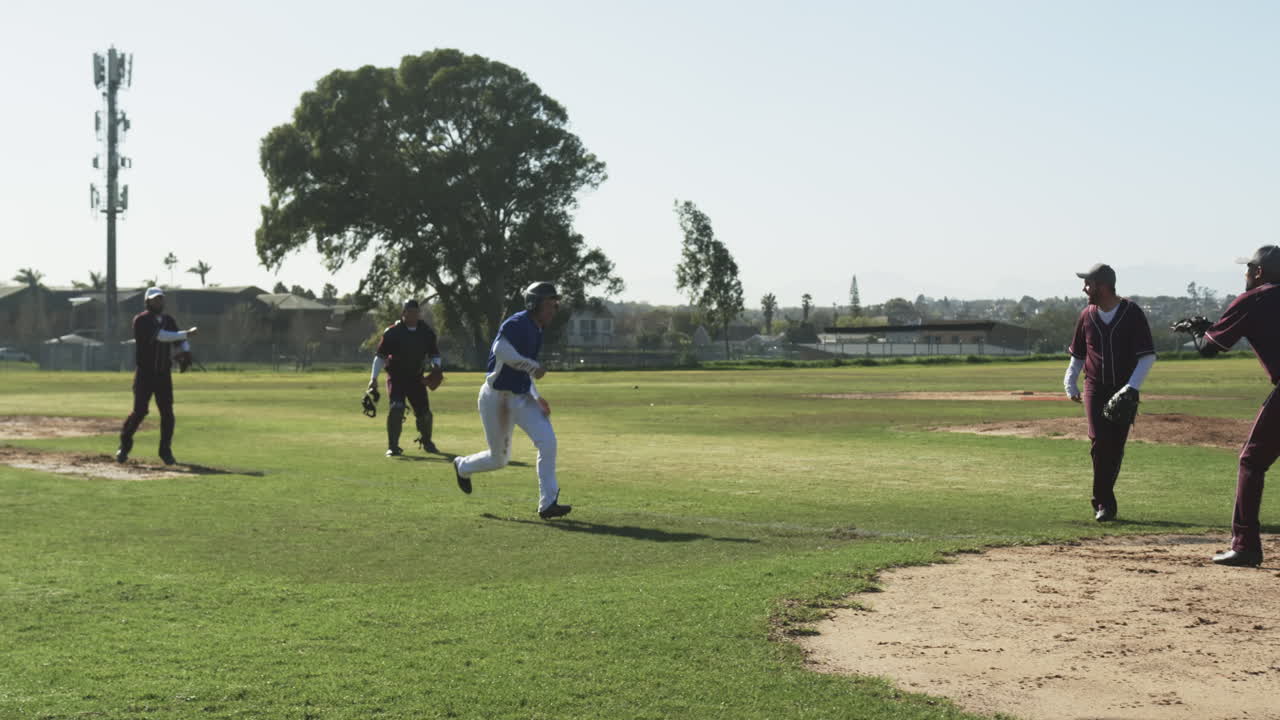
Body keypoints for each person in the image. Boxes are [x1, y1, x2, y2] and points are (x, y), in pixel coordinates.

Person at [1191, 245, 1280, 567]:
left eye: (1248, 269)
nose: (1245, 274)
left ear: (1258, 272)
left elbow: (1210, 349)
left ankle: (1245, 546)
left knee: (1252, 461)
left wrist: (1201, 332)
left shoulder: (1254, 298)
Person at [452, 281, 571, 519]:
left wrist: (537, 397)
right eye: (549, 304)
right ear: (534, 304)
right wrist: (532, 365)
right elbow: (501, 351)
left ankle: (548, 503)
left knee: (548, 442)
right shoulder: (518, 323)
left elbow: (524, 371)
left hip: (522, 397)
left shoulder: (537, 329)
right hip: (496, 399)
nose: (553, 309)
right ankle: (462, 466)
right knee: (499, 459)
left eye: (555, 304)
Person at [1063, 263, 1157, 522]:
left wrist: (1132, 387)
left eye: (1088, 284)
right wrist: (1069, 382)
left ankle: (1106, 501)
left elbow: (1147, 356)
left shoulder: (1132, 312)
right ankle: (1103, 502)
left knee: (1115, 447)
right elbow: (1079, 354)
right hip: (1095, 386)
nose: (1084, 289)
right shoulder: (1087, 315)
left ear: (1103, 287)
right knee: (1099, 442)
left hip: (1124, 389)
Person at [116, 287, 198, 465]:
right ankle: (124, 445)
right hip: (145, 374)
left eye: (160, 299)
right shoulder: (141, 320)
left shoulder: (168, 320)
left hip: (163, 374)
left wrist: (186, 351)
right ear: (147, 302)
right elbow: (162, 337)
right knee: (140, 411)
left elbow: (178, 340)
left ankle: (165, 450)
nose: (158, 302)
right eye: (154, 299)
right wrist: (187, 333)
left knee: (167, 413)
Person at [369, 299, 442, 457]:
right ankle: (393, 446)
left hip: (417, 378)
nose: (413, 315)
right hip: (396, 378)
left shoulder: (426, 332)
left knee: (425, 414)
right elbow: (380, 357)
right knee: (397, 408)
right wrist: (373, 379)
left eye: (416, 312)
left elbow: (435, 354)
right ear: (403, 313)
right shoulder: (393, 332)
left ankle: (427, 442)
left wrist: (436, 367)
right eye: (410, 312)